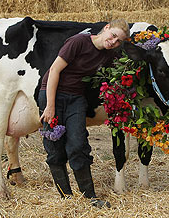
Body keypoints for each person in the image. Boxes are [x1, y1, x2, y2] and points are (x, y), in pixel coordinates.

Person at [38, 19, 130, 208]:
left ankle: (90, 196)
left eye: (119, 41)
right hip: (52, 94)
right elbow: (54, 70)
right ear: (106, 29)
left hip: (76, 99)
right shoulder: (78, 42)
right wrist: (50, 106)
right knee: (54, 147)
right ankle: (67, 198)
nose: (113, 42)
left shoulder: (108, 55)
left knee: (78, 145)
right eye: (113, 36)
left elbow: (123, 71)